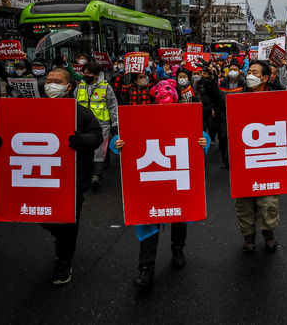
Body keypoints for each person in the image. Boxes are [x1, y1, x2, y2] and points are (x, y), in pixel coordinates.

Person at [113, 80, 207, 294]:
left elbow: (201, 136)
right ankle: (146, 268)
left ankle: (178, 249)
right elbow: (127, 137)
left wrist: (204, 142)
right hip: (152, 175)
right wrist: (117, 144)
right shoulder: (142, 115)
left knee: (180, 213)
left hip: (177, 173)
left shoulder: (186, 114)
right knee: (148, 219)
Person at [14, 67, 103, 285]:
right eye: (49, 81)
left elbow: (97, 136)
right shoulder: (34, 109)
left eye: (57, 81)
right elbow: (16, 130)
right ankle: (60, 237)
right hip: (41, 175)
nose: (51, 84)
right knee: (41, 214)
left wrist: (82, 140)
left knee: (68, 220)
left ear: (68, 86)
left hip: (71, 179)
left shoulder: (80, 112)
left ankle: (65, 259)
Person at [204, 60, 287, 253]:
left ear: (265, 78)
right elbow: (220, 99)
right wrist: (211, 81)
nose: (250, 75)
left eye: (255, 72)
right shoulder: (239, 96)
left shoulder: (279, 96)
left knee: (269, 201)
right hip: (244, 158)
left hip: (270, 157)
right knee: (244, 201)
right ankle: (248, 236)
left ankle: (268, 232)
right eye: (249, 71)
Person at [75, 62, 118, 189]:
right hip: (83, 125)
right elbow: (72, 104)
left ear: (96, 75)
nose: (86, 75)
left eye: (89, 73)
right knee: (84, 148)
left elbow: (112, 106)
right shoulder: (80, 87)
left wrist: (115, 123)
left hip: (102, 124)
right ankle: (85, 173)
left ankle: (96, 175)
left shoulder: (106, 87)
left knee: (99, 150)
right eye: (85, 73)